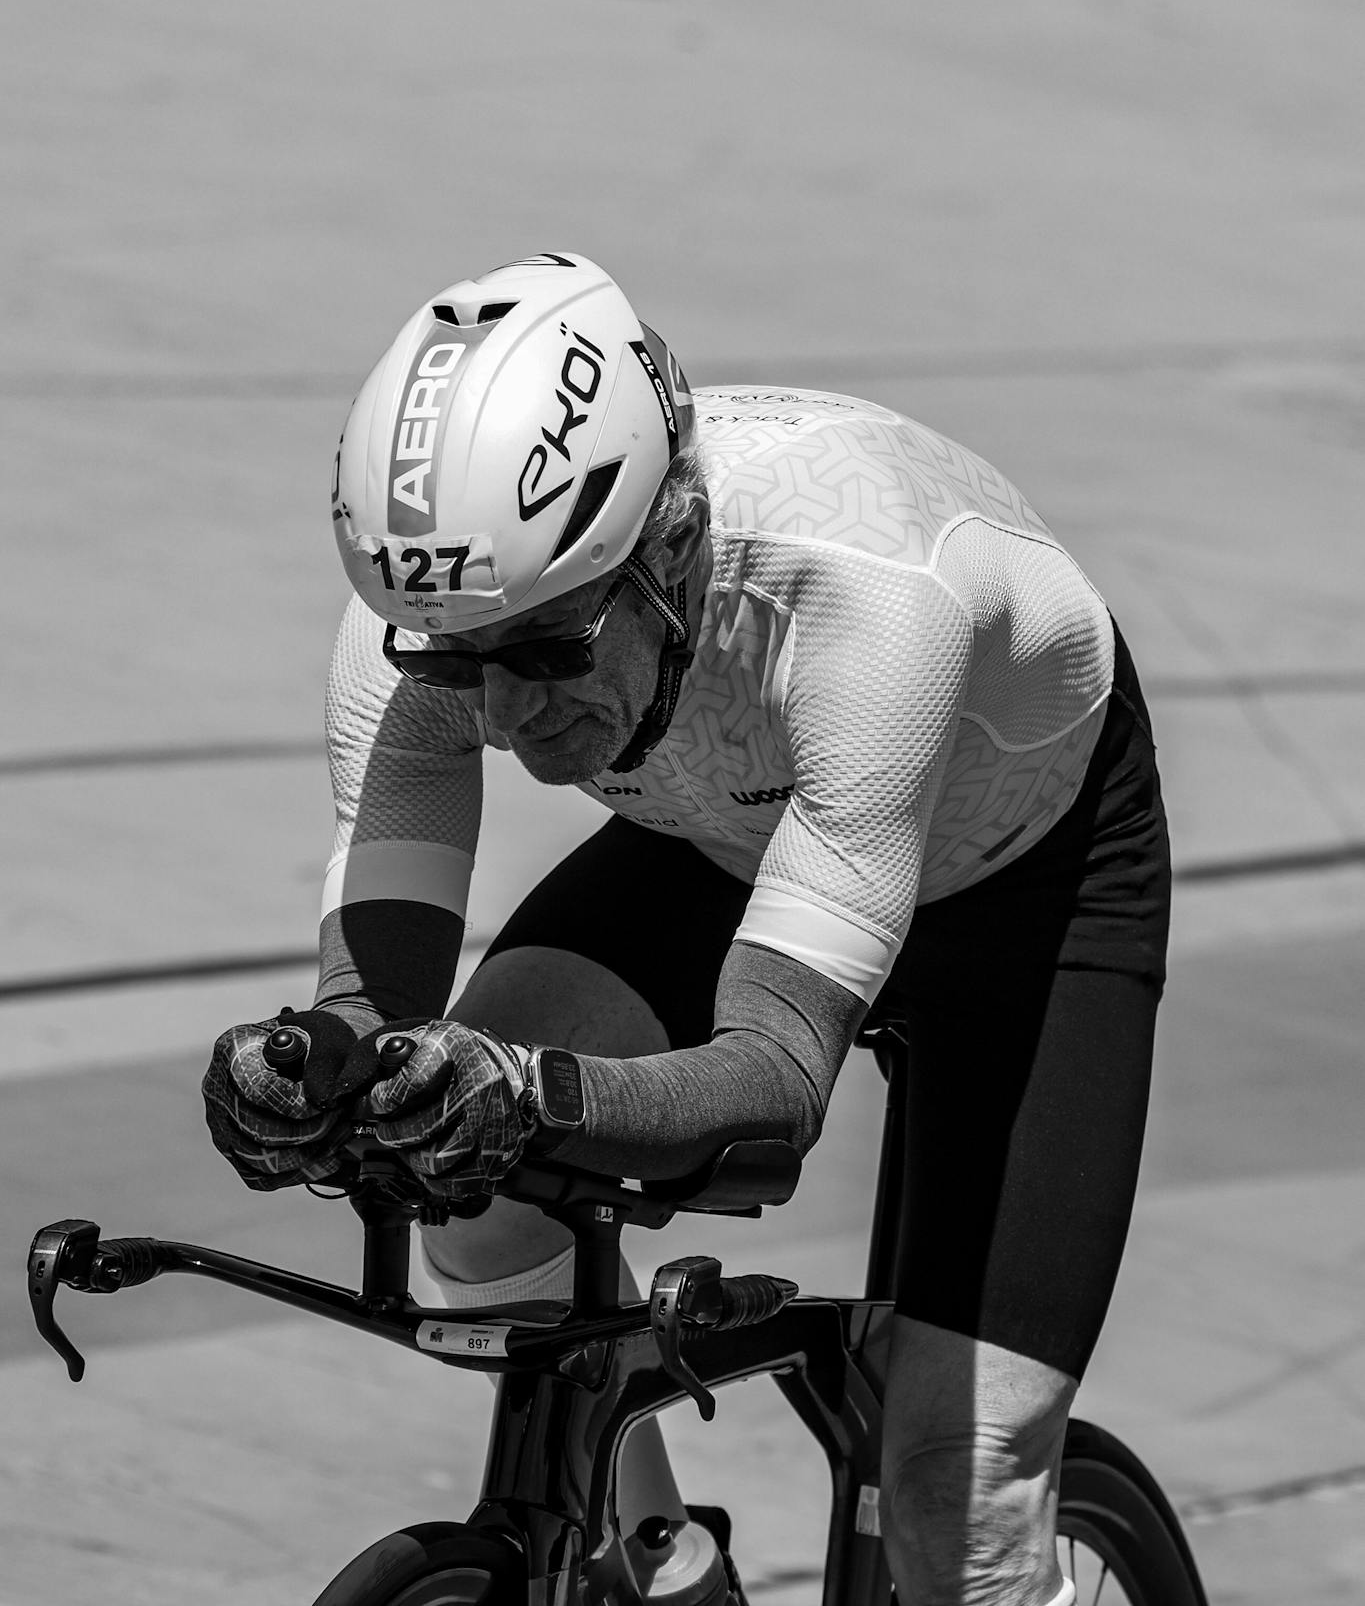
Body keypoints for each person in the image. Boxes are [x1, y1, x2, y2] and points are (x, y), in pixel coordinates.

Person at [204, 253, 1171, 1606]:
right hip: (728, 840)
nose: (498, 713)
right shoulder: (444, 606)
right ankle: (660, 1569)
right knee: (463, 1191)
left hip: (1025, 899)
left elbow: (772, 1087)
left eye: (544, 654)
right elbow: (374, 1006)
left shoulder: (866, 595)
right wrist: (313, 1068)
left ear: (669, 547)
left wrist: (530, 1091)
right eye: (453, 663)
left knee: (959, 1495)